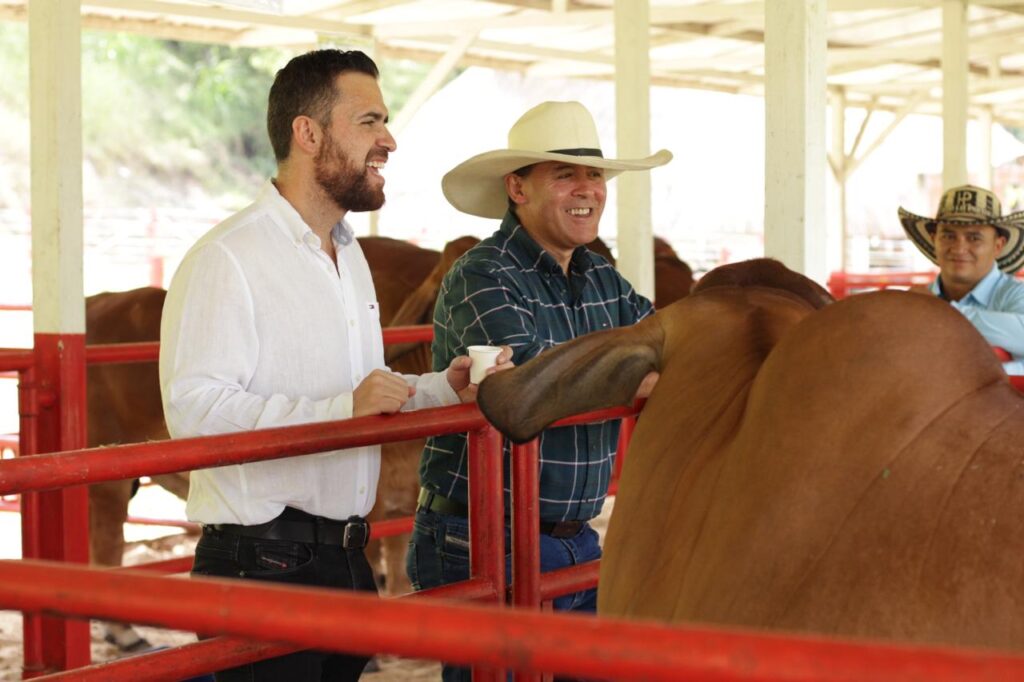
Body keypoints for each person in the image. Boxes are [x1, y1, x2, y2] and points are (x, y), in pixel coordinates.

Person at [158, 48, 509, 682]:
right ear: (308, 132)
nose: (389, 139)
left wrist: (440, 388)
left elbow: (360, 392)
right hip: (261, 566)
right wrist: (338, 410)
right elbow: (195, 412)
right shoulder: (227, 257)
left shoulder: (347, 255)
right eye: (369, 121)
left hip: (347, 557)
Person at [406, 100, 670, 681]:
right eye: (565, 174)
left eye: (594, 174)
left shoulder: (601, 274)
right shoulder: (483, 272)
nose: (587, 189)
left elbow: (668, 347)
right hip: (483, 534)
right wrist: (638, 374)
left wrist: (647, 367)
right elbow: (529, 384)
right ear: (517, 189)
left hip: (574, 535)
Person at [899, 184, 1024, 375]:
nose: (959, 248)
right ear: (934, 241)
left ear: (998, 245)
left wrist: (938, 311)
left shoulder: (1017, 295)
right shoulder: (916, 302)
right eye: (949, 236)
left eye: (974, 238)